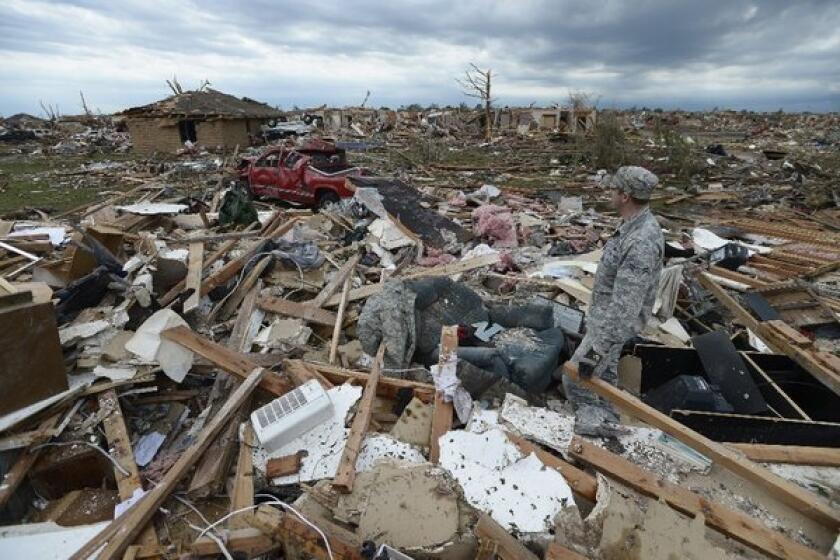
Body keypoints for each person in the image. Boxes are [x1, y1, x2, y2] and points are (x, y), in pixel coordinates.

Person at [562, 166, 664, 436]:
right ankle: (607, 424)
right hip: (604, 324)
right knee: (604, 379)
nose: (610, 194)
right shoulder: (633, 226)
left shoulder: (641, 241)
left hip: (609, 328)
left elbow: (625, 307)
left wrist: (597, 351)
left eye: (614, 190)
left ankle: (595, 429)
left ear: (626, 196)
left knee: (576, 377)